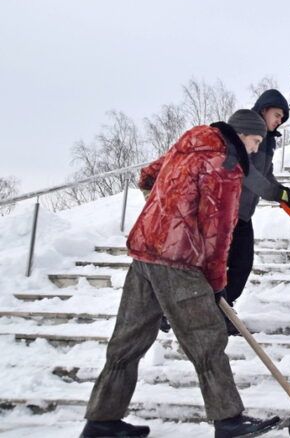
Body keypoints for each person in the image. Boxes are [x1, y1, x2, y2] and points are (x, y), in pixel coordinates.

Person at [80, 110, 279, 438]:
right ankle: (229, 421)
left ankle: (101, 420)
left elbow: (147, 176)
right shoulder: (226, 165)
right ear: (242, 134)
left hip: (145, 252)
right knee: (208, 339)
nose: (256, 150)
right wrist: (218, 284)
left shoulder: (189, 143)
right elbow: (218, 233)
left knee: (126, 344)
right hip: (180, 262)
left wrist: (165, 210)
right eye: (256, 141)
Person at [227, 89, 290, 309]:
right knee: (227, 267)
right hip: (228, 211)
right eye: (277, 115)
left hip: (243, 214)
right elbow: (246, 172)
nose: (280, 121)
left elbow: (266, 174)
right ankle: (212, 313)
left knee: (241, 266)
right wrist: (273, 193)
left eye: (283, 119)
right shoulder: (247, 130)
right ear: (265, 109)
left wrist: (283, 191)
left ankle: (221, 310)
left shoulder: (268, 141)